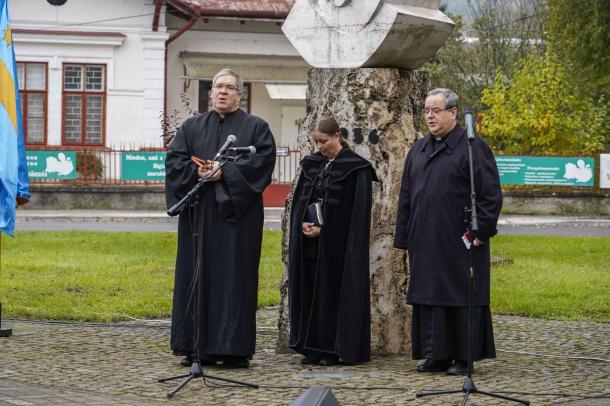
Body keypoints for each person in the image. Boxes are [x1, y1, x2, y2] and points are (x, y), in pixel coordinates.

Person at [165, 68, 276, 368]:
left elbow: (262, 164)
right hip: (199, 215)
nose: (223, 92)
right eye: (218, 87)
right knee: (195, 274)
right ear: (210, 92)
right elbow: (175, 162)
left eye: (229, 87)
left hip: (236, 220)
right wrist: (197, 172)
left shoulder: (257, 128)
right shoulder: (191, 127)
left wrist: (225, 173)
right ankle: (193, 346)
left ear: (240, 94)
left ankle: (232, 348)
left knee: (233, 278)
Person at [393, 88, 502, 375]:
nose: (429, 115)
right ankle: (436, 353)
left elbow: (490, 194)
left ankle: (463, 357)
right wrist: (404, 236)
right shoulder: (418, 149)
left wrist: (481, 230)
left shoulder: (472, 147)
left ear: (453, 113)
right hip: (424, 239)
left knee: (458, 295)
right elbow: (406, 196)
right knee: (429, 296)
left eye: (436, 110)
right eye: (426, 110)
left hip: (460, 238)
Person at [288, 116, 377, 366]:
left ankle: (333, 349)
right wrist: (301, 223)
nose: (319, 147)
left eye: (323, 141)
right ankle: (312, 347)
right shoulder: (311, 164)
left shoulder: (356, 168)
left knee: (332, 295)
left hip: (339, 249)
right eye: (315, 142)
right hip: (310, 245)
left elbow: (357, 215)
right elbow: (300, 202)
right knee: (311, 292)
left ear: (337, 136)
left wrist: (325, 232)